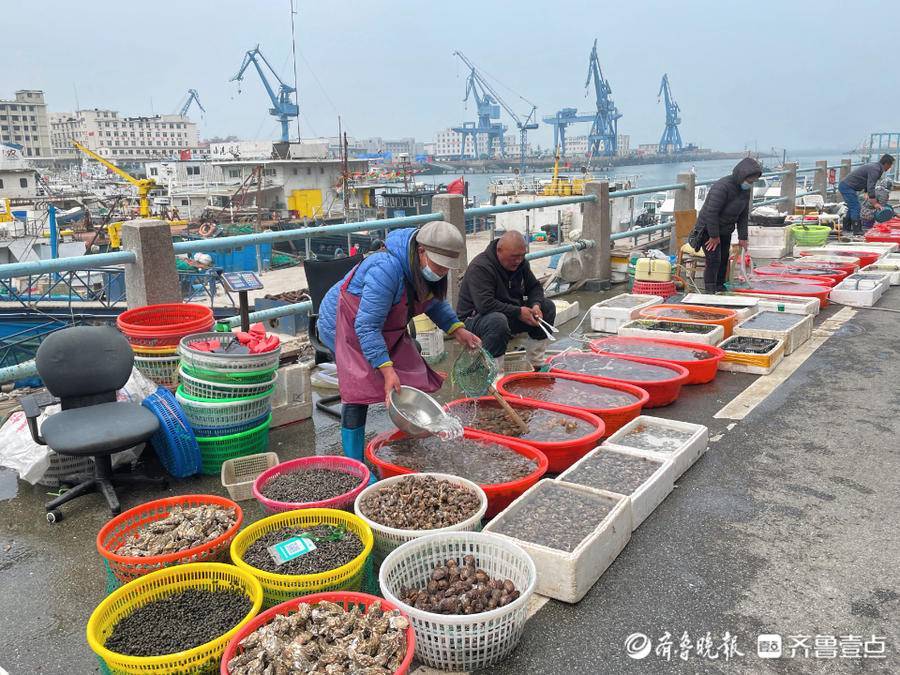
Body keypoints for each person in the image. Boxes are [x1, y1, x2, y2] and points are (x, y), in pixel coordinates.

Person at [317, 221, 481, 462]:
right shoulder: (386, 268)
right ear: (422, 250)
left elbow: (434, 303)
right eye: (439, 266)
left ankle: (410, 430)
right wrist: (386, 369)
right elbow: (367, 325)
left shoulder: (426, 271)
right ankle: (355, 463)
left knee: (410, 365)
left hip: (382, 328)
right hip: (343, 327)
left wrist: (458, 330)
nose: (442, 272)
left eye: (448, 268)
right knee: (358, 389)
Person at [456, 230, 556, 370]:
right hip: (474, 319)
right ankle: (493, 373)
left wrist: (536, 305)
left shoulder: (521, 264)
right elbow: (485, 305)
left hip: (507, 313)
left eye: (522, 256)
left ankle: (536, 363)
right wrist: (518, 312)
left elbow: (534, 287)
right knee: (497, 321)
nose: (518, 261)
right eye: (514, 257)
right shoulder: (481, 267)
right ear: (499, 250)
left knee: (548, 307)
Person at [688, 157, 762, 293]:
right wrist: (714, 235)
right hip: (708, 229)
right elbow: (711, 212)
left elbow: (743, 215)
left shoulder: (745, 191)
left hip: (726, 229)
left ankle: (720, 288)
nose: (750, 184)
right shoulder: (722, 187)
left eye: (753, 182)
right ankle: (710, 291)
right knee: (714, 260)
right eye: (750, 181)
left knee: (723, 259)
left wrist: (743, 237)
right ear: (742, 176)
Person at [839, 154, 894, 237]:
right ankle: (856, 230)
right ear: (886, 163)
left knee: (852, 206)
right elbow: (871, 185)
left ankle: (846, 228)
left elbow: (867, 182)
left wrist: (866, 192)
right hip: (847, 187)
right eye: (890, 165)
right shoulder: (875, 169)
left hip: (848, 187)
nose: (890, 168)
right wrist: (875, 203)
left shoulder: (876, 168)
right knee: (856, 207)